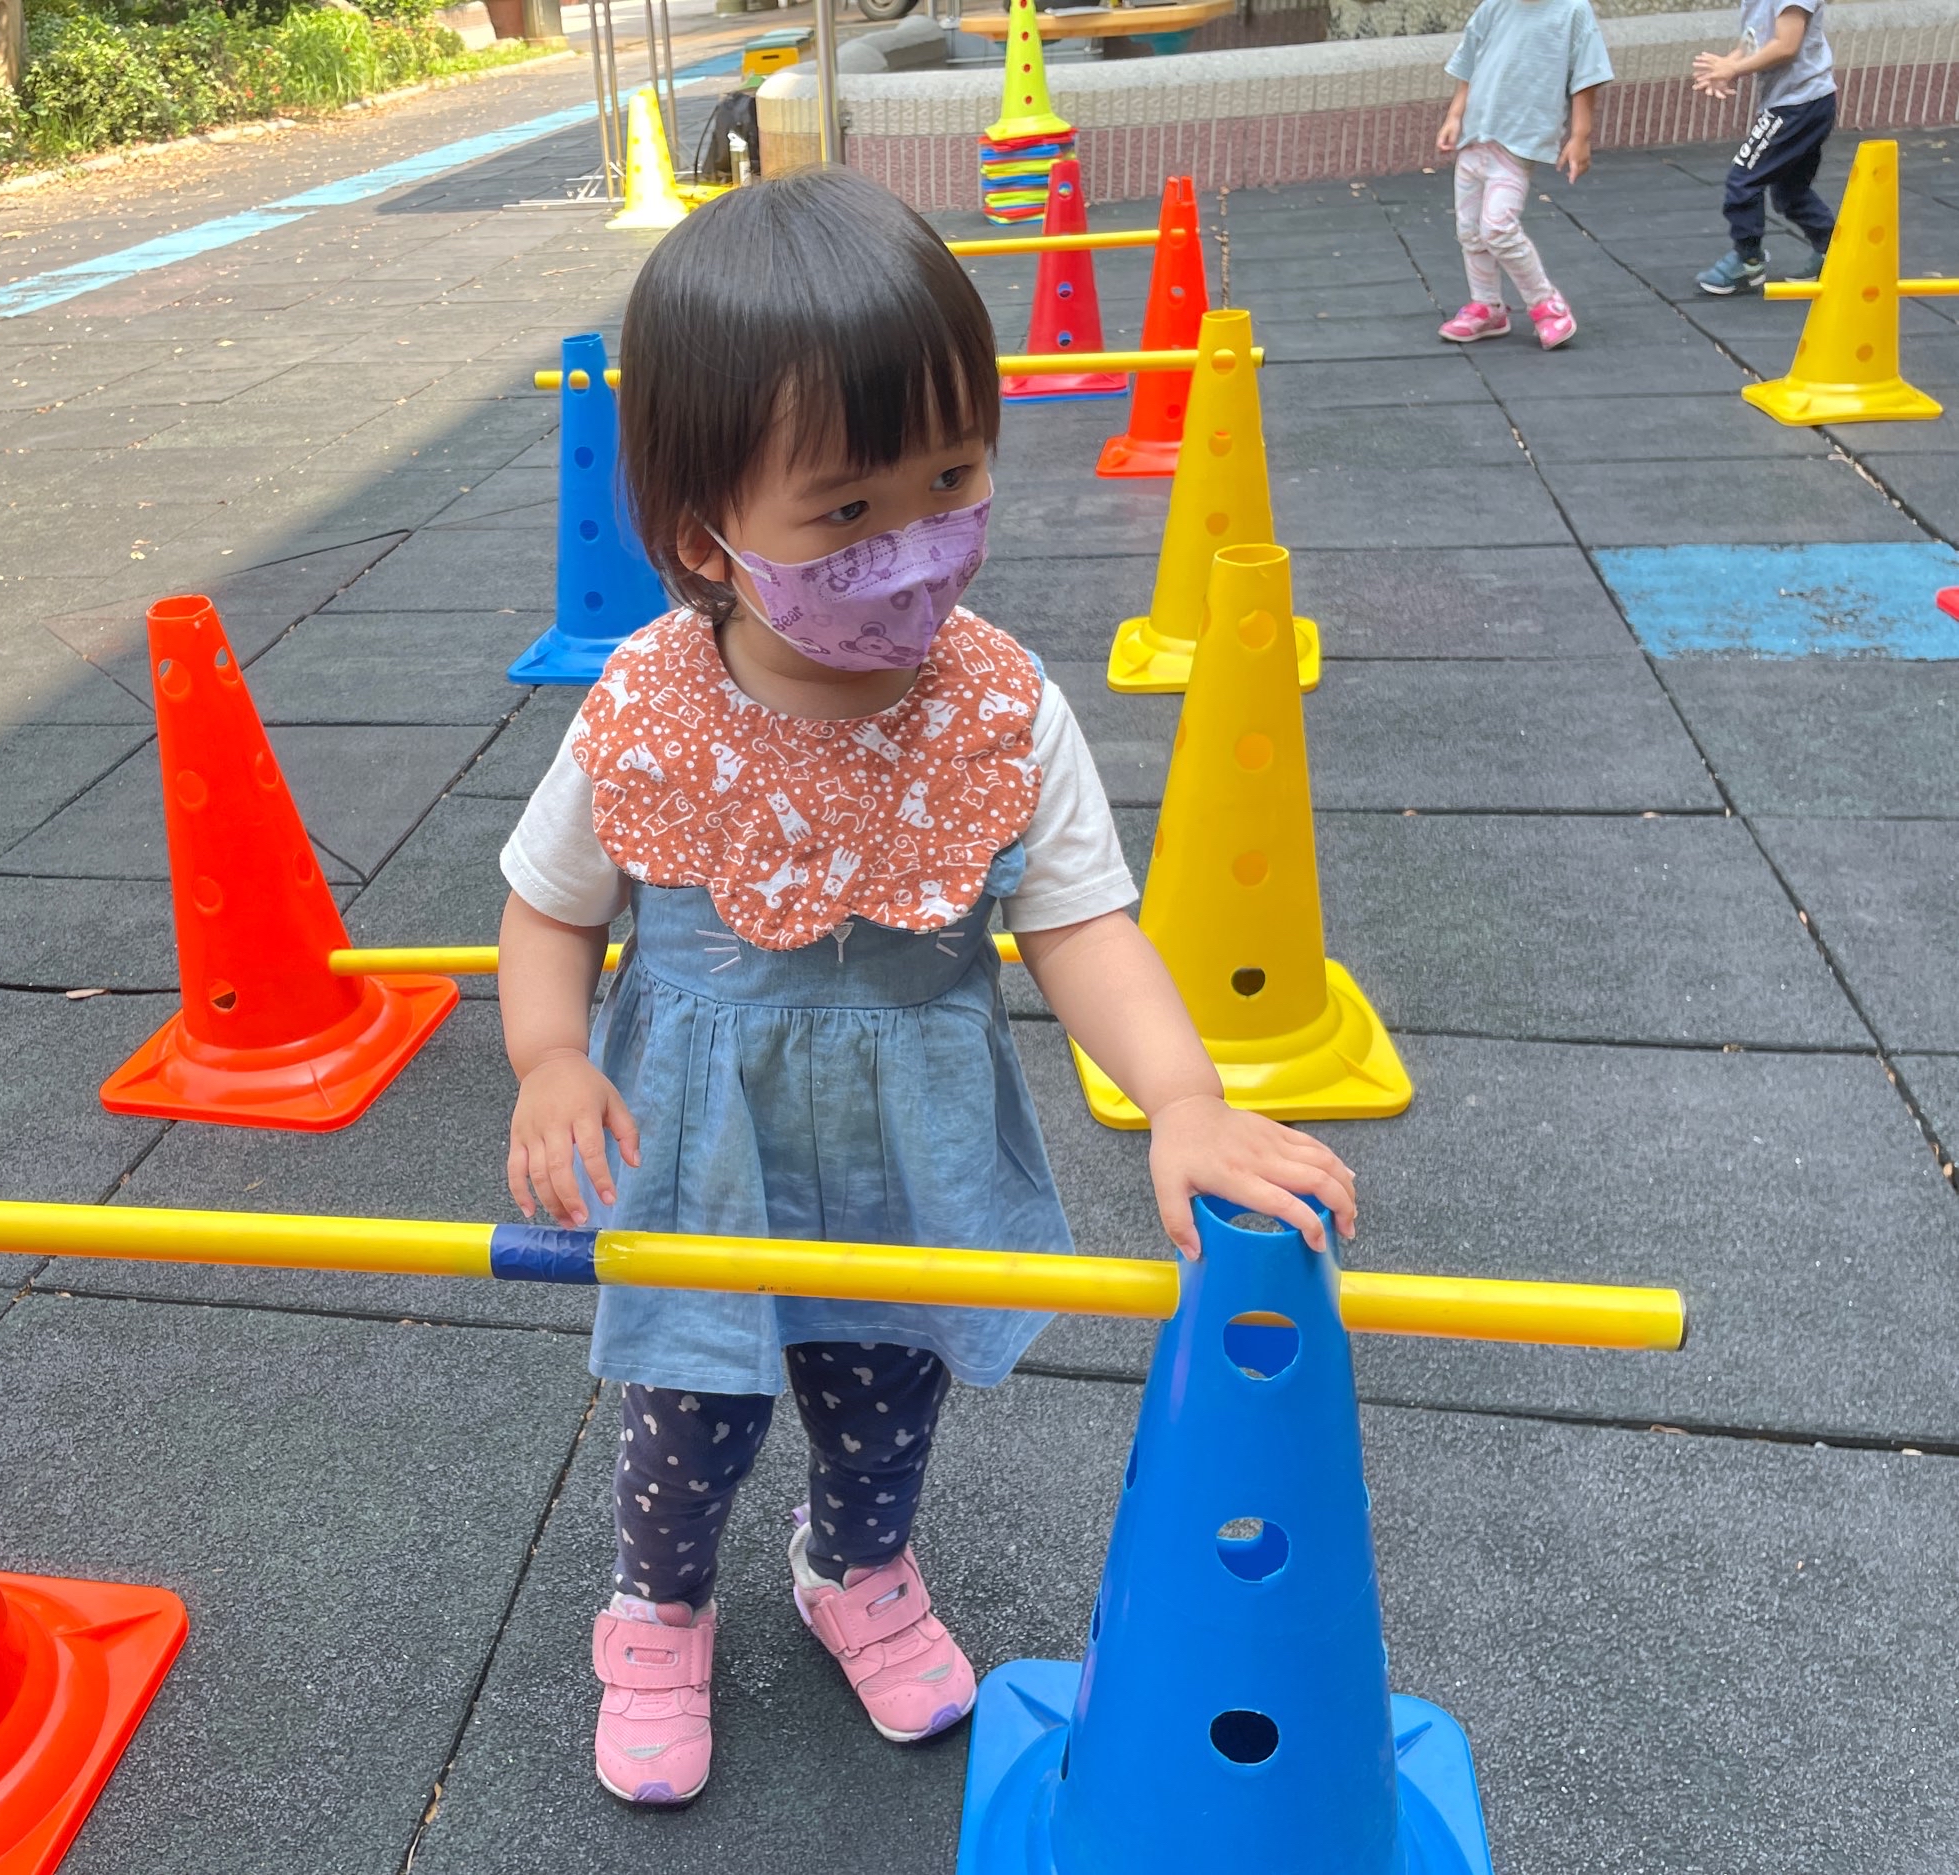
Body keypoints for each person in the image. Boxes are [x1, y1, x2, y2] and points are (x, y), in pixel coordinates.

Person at [494, 167, 1358, 1808]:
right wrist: (550, 1058)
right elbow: (548, 908)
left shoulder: (999, 707)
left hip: (911, 1150)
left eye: (951, 478)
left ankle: (857, 1565)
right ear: (700, 538)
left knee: (886, 1392)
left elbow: (1086, 926)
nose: (914, 546)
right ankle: (660, 1607)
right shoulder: (645, 709)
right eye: (846, 514)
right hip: (699, 1158)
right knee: (686, 1403)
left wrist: (1184, 1100)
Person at [1435, 0, 1614, 349]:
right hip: (1475, 135)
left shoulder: (1572, 11)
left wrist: (1580, 137)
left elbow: (1587, 77)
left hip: (1518, 141)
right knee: (1470, 230)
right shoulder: (1494, 6)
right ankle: (1487, 306)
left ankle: (1546, 304)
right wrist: (1455, 116)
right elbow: (1469, 62)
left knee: (1498, 227)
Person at [1691, 0, 1837, 293]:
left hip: (1799, 104)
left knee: (1744, 179)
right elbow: (1754, 39)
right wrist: (1727, 65)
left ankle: (1748, 261)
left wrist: (1733, 68)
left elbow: (1786, 46)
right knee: (1791, 191)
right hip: (1802, 102)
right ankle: (1834, 251)